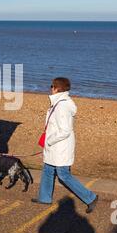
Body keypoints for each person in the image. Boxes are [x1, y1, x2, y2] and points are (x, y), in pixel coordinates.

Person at [32, 77, 98, 213]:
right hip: (55, 147)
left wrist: (49, 141)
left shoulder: (62, 106)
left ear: (56, 88)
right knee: (48, 169)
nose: (50, 88)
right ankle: (44, 198)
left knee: (63, 175)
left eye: (52, 86)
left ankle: (91, 197)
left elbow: (65, 131)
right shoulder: (60, 103)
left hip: (60, 147)